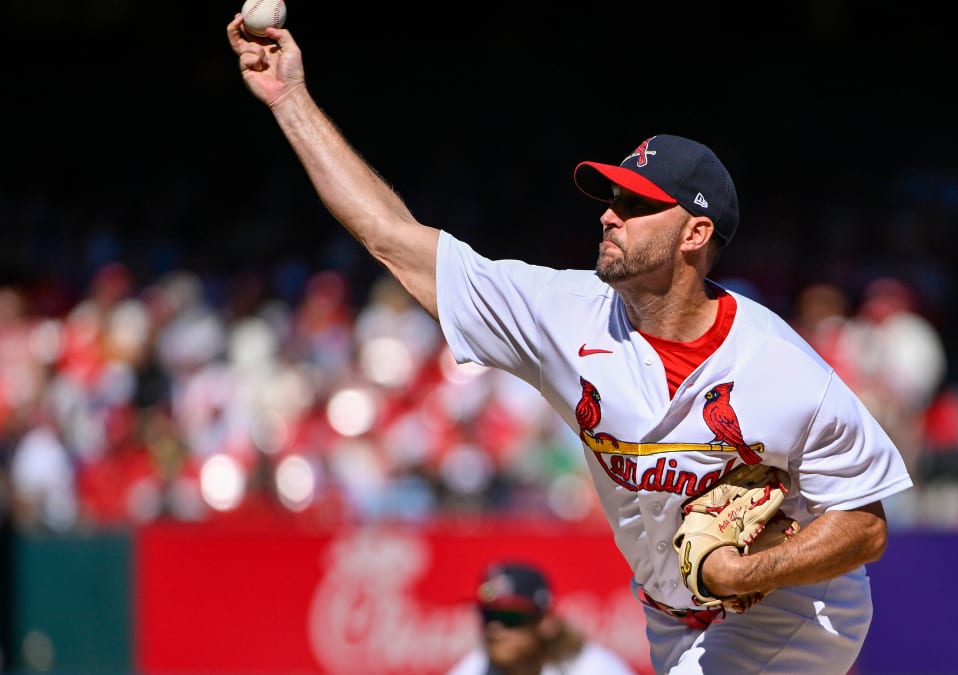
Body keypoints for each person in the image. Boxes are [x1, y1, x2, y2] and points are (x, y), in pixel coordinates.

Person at [226, 17, 913, 674]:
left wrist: (743, 570)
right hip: (672, 616)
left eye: (638, 205)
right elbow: (390, 234)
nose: (610, 213)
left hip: (795, 608)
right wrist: (290, 98)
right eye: (612, 196)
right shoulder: (561, 314)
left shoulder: (781, 369)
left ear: (694, 235)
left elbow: (866, 526)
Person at [447, 561, 637, 675]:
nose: (495, 629)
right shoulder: (478, 664)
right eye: (487, 615)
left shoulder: (593, 668)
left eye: (508, 617)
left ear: (547, 622)